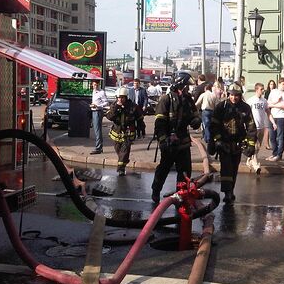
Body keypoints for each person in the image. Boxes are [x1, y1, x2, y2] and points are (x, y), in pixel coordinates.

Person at [151, 72, 202, 203]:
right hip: (169, 142)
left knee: (185, 172)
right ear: (180, 85)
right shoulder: (166, 99)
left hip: (183, 143)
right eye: (186, 86)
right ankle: (156, 191)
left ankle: (181, 195)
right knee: (163, 169)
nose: (187, 89)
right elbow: (160, 123)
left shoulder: (188, 100)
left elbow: (194, 117)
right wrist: (163, 140)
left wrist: (196, 121)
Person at [209, 83, 257, 203]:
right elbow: (214, 125)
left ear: (240, 95)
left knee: (234, 169)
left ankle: (231, 190)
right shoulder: (221, 107)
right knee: (226, 168)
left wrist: (251, 144)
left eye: (236, 95)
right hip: (224, 143)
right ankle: (227, 193)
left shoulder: (245, 108)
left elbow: (251, 126)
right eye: (231, 95)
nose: (233, 98)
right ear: (228, 94)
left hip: (238, 144)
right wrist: (217, 140)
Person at [105, 87, 143, 176]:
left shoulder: (133, 106)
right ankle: (124, 160)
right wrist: (116, 108)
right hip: (116, 133)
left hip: (128, 133)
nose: (120, 99)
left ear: (126, 97)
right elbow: (109, 117)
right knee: (118, 150)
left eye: (122, 97)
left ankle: (120, 169)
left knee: (124, 151)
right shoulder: (114, 105)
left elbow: (140, 118)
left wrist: (142, 129)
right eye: (118, 97)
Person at [246, 82, 273, 174]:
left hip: (261, 126)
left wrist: (273, 122)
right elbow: (245, 113)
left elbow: (268, 112)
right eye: (261, 89)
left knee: (258, 147)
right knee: (255, 145)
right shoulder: (251, 101)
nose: (263, 91)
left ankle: (250, 160)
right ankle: (256, 164)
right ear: (256, 90)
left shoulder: (264, 101)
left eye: (263, 89)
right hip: (252, 127)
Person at [267, 77, 284, 161]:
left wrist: (273, 105)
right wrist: (276, 102)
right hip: (272, 116)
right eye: (283, 84)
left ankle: (279, 155)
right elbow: (268, 103)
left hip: (281, 117)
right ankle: (274, 153)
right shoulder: (273, 92)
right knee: (272, 136)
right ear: (279, 84)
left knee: (280, 136)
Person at [89, 80, 109, 155]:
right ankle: (99, 147)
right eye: (94, 85)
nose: (95, 86)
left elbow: (106, 102)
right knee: (95, 129)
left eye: (97, 85)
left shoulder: (101, 92)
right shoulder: (93, 92)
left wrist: (98, 106)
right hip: (93, 111)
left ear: (99, 85)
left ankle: (99, 148)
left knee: (98, 130)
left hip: (98, 111)